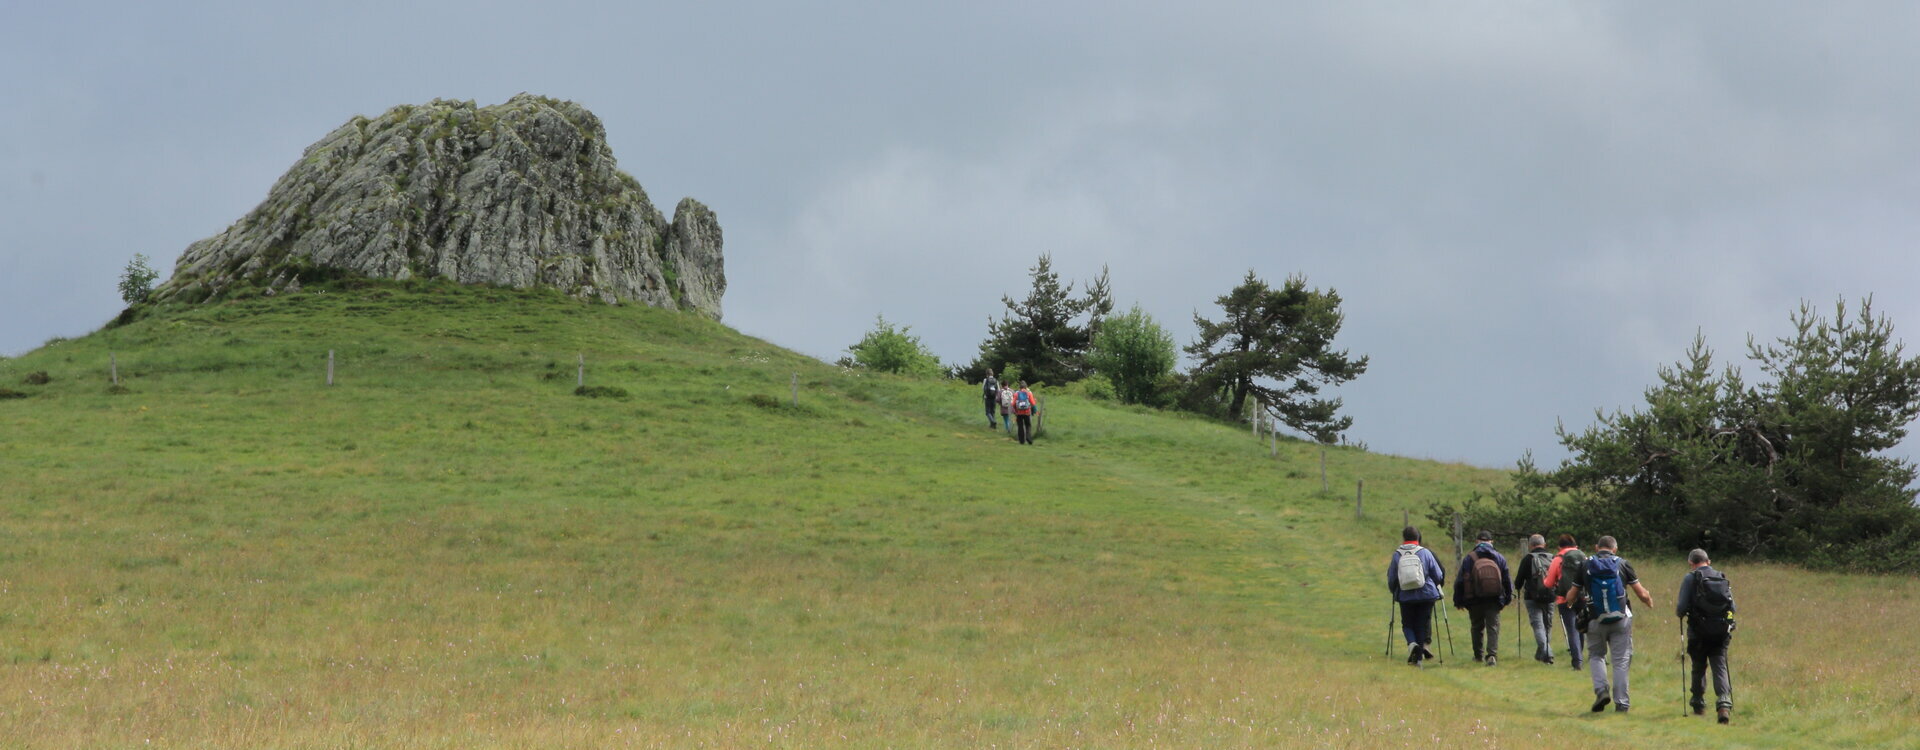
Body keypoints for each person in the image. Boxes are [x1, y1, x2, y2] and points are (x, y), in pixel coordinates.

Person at [1564, 535, 1655, 713]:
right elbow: (1641, 594)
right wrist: (1649, 601)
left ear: (1596, 547)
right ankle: (1621, 703)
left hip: (1594, 619)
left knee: (1597, 656)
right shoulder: (1622, 564)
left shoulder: (1585, 564)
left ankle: (1601, 691)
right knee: (1620, 661)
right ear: (1615, 549)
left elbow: (1571, 595)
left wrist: (1569, 602)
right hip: (1621, 620)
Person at [1675, 548, 1735, 724]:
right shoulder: (1721, 577)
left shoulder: (1690, 577)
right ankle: (1724, 703)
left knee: (1698, 666)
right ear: (1708, 561)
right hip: (1721, 631)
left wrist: (1683, 614)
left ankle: (1698, 703)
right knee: (1719, 665)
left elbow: (1681, 607)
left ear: (1691, 563)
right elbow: (1733, 608)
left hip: (1698, 631)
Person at [1387, 525, 1446, 667]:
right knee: (1421, 625)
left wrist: (1394, 591)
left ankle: (1412, 644)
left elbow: (1392, 577)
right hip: (1426, 595)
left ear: (1404, 538)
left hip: (1405, 595)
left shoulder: (1397, 554)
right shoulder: (1425, 553)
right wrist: (1437, 587)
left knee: (1407, 624)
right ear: (1418, 537)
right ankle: (1418, 658)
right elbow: (1438, 575)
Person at [1452, 530, 1512, 666]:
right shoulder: (1499, 557)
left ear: (1477, 542)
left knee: (1476, 627)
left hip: (1474, 598)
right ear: (1491, 542)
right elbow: (1507, 580)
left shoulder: (1469, 558)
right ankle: (1491, 655)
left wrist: (1458, 600)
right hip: (1495, 598)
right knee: (1493, 627)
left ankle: (1478, 655)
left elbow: (1460, 581)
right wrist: (1507, 598)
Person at [1541, 533, 1587, 671]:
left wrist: (1545, 580)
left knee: (1571, 630)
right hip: (1583, 597)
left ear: (1559, 546)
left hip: (1564, 599)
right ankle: (1580, 656)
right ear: (1575, 545)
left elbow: (1548, 583)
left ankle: (1577, 661)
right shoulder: (1583, 556)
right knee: (1581, 627)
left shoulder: (1558, 559)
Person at [1512, 533, 1558, 664]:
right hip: (1550, 596)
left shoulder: (1528, 559)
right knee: (1547, 626)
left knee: (1538, 625)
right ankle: (1543, 654)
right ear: (1544, 544)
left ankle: (1546, 653)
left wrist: (1518, 588)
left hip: (1532, 597)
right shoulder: (1552, 558)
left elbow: (1519, 581)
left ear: (1530, 545)